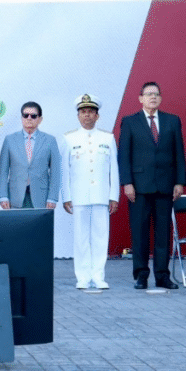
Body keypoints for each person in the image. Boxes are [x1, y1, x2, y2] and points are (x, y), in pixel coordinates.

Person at [118, 81, 186, 290]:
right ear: (140, 98)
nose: (153, 97)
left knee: (163, 233)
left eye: (156, 94)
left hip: (165, 186)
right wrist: (127, 183)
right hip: (138, 187)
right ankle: (141, 274)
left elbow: (179, 154)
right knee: (140, 233)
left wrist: (180, 181)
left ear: (161, 98)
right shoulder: (129, 122)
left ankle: (162, 275)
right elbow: (124, 156)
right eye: (148, 94)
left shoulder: (172, 121)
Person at [60, 94, 120, 290]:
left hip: (101, 195)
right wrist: (66, 196)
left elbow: (114, 170)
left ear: (97, 116)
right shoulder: (69, 138)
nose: (87, 116)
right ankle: (83, 276)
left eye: (91, 112)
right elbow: (65, 170)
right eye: (83, 112)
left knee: (101, 236)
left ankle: (99, 276)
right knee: (81, 237)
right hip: (79, 196)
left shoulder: (107, 138)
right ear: (78, 116)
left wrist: (114, 196)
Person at [0, 101, 61, 210]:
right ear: (21, 118)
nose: (29, 118)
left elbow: (56, 172)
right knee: (16, 227)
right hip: (15, 198)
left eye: (33, 116)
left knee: (40, 227)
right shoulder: (9, 140)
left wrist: (52, 198)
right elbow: (3, 171)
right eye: (25, 115)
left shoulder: (50, 140)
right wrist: (3, 196)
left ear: (40, 119)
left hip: (41, 198)